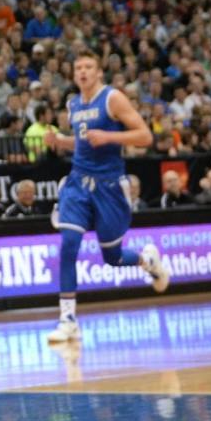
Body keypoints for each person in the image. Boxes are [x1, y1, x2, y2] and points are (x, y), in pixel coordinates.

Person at [42, 54, 169, 344]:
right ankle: (68, 319)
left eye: (88, 67)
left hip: (109, 187)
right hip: (77, 184)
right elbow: (84, 140)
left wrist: (110, 138)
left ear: (99, 73)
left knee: (112, 257)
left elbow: (145, 137)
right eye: (78, 68)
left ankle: (147, 260)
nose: (83, 71)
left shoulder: (113, 98)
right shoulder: (73, 103)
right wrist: (62, 142)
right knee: (69, 244)